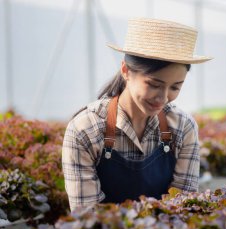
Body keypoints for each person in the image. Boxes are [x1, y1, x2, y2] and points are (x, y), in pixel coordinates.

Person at [62, 17, 212, 211]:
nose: (163, 98)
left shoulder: (183, 127)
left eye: (175, 87)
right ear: (126, 70)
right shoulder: (85, 129)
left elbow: (184, 206)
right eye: (154, 84)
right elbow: (87, 217)